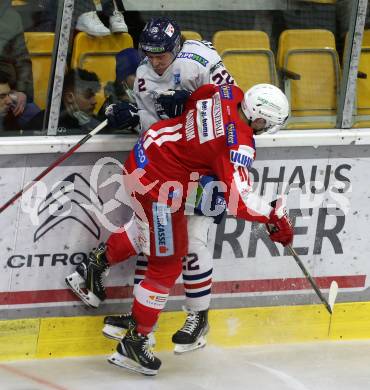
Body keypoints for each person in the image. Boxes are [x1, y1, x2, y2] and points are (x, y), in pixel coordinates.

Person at [73, 82, 291, 376]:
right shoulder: (238, 143)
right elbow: (240, 202)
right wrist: (275, 216)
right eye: (268, 125)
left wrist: (198, 150)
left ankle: (95, 264)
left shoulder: (229, 93)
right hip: (159, 187)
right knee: (167, 262)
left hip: (147, 152)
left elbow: (197, 96)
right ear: (259, 117)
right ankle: (135, 343)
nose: (265, 130)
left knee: (148, 233)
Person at [66, 16, 236, 354]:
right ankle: (135, 314)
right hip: (169, 166)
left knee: (192, 241)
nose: (155, 62)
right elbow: (153, 127)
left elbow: (231, 106)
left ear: (176, 48)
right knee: (155, 238)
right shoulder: (144, 74)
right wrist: (131, 116)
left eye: (161, 55)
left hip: (208, 164)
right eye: (150, 54)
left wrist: (191, 106)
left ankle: (198, 316)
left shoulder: (201, 61)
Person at [26, 68, 101, 132]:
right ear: (70, 97)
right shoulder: (43, 124)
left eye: (94, 95)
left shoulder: (93, 122)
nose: (94, 101)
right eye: (88, 96)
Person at [0, 2, 34, 121]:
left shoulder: (12, 18)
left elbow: (22, 59)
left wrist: (21, 91)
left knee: (33, 114)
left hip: (7, 87)